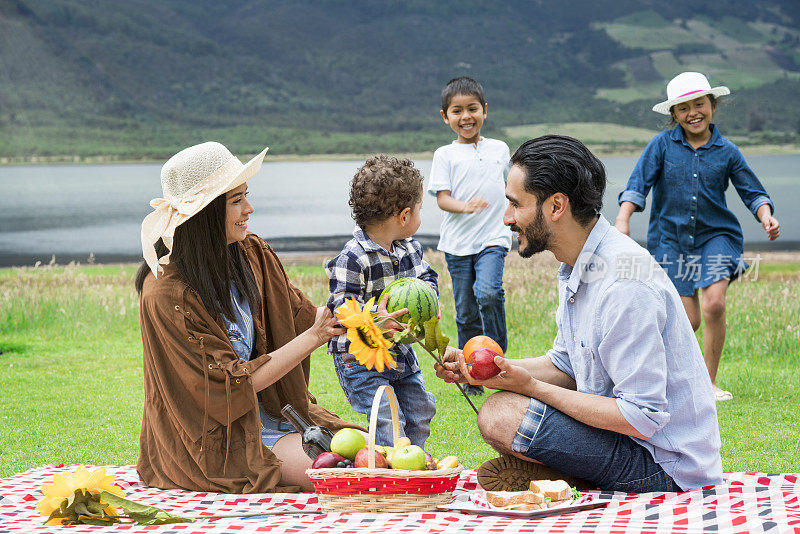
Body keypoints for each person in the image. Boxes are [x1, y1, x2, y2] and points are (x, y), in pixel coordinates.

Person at [435, 135, 723, 493]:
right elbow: (567, 366)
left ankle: (568, 478)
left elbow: (642, 417)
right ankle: (565, 479)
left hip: (666, 465)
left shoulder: (623, 284)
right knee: (501, 409)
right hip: (625, 440)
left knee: (503, 415)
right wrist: (490, 370)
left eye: (515, 204)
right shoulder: (578, 265)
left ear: (556, 206)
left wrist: (532, 387)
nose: (506, 218)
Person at [135, 141, 364, 493]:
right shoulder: (166, 294)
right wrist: (314, 337)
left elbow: (304, 316)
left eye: (246, 195)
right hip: (218, 439)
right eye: (236, 200)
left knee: (378, 453)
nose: (249, 208)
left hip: (275, 410)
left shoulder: (250, 253)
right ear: (206, 213)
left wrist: (367, 318)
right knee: (347, 473)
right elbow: (228, 388)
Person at [615, 72, 780, 402]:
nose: (693, 112)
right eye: (683, 107)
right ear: (674, 114)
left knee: (714, 303)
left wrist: (767, 216)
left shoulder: (727, 151)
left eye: (699, 104)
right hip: (670, 241)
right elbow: (637, 185)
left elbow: (753, 191)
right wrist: (623, 219)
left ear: (712, 105)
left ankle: (709, 382)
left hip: (716, 237)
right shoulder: (660, 146)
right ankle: (656, 377)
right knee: (686, 320)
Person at [325, 155, 438, 448]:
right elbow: (340, 307)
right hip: (359, 359)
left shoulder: (411, 248)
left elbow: (428, 278)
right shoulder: (352, 258)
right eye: (420, 209)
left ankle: (414, 461)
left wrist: (428, 298)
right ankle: (392, 473)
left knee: (421, 408)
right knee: (387, 418)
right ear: (404, 216)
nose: (419, 216)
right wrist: (376, 316)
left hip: (400, 353)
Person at [427, 77, 512, 396]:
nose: (466, 117)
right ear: (445, 117)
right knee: (465, 311)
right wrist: (466, 206)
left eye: (472, 109)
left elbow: (513, 186)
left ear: (485, 111)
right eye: (457, 111)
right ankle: (471, 373)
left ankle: (502, 364)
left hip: (494, 238)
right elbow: (442, 199)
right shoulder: (444, 155)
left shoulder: (500, 149)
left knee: (488, 293)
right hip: (458, 246)